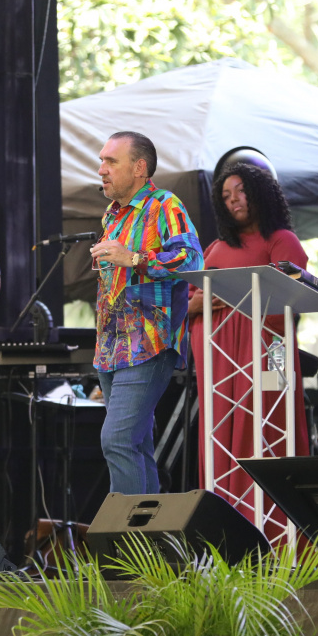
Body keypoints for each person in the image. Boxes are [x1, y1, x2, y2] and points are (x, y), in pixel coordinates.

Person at [189, 163, 309, 532]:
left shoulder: (281, 240)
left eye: (241, 191)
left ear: (261, 194)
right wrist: (200, 303)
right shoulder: (216, 248)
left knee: (268, 431)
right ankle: (228, 534)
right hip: (219, 360)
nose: (234, 200)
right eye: (226, 196)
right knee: (221, 439)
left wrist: (225, 295)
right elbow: (188, 301)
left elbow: (288, 298)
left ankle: (275, 533)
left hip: (268, 352)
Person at [90, 131, 204, 495]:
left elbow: (192, 260)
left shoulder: (164, 205)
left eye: (111, 161)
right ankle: (151, 529)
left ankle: (126, 528)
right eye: (101, 161)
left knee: (117, 440)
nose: (101, 169)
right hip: (111, 346)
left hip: (148, 343)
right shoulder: (112, 215)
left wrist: (135, 258)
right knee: (135, 445)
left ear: (140, 168)